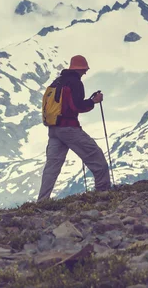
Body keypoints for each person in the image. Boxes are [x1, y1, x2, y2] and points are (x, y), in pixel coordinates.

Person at [37, 55, 111, 201]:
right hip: (69, 129)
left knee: (52, 167)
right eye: (85, 69)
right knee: (96, 157)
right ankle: (103, 194)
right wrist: (93, 101)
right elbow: (77, 106)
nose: (85, 72)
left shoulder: (57, 82)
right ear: (81, 68)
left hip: (53, 130)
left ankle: (42, 201)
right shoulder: (75, 83)